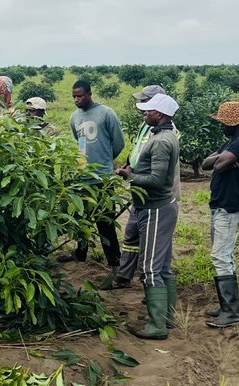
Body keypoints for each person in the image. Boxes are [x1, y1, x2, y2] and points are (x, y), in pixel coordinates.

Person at [116, 93, 180, 340]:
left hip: (155, 208)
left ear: (161, 115)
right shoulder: (163, 136)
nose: (144, 114)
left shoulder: (162, 141)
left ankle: (157, 326)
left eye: (148, 111)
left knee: (150, 268)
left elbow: (156, 179)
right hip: (159, 207)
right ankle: (165, 316)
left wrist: (128, 176)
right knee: (163, 267)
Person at [201, 101, 239, 329]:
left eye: (223, 123)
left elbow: (219, 166)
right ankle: (227, 305)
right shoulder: (232, 142)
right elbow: (207, 164)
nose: (221, 126)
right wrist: (222, 157)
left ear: (232, 124)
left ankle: (230, 311)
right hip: (221, 206)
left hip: (229, 207)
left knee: (221, 256)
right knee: (225, 255)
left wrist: (222, 159)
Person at [70, 79, 125, 267]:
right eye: (74, 97)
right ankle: (80, 253)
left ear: (89, 94)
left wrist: (105, 161)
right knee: (82, 220)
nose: (77, 100)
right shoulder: (74, 117)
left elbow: (118, 143)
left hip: (102, 178)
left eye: (80, 96)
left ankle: (114, 260)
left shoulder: (106, 113)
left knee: (105, 222)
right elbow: (79, 142)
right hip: (82, 178)